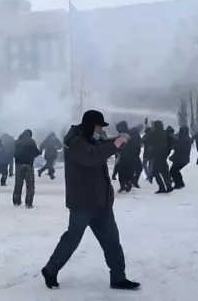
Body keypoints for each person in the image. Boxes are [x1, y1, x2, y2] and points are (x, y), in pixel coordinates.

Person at [41, 110, 140, 291]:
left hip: (101, 201)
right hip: (82, 203)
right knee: (72, 240)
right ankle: (50, 270)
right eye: (99, 126)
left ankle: (118, 277)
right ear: (90, 125)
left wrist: (119, 139)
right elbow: (91, 157)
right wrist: (115, 144)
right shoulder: (75, 142)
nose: (101, 130)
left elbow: (103, 144)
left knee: (112, 241)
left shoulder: (90, 139)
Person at [12, 129, 40, 208]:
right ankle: (28, 202)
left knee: (18, 183)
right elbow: (36, 153)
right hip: (29, 164)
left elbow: (14, 153)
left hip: (19, 164)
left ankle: (16, 200)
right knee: (30, 184)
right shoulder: (31, 142)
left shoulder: (17, 141)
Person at [147, 120, 174, 193]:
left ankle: (163, 187)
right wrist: (167, 152)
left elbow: (148, 140)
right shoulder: (166, 133)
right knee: (164, 171)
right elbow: (171, 143)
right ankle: (168, 186)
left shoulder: (154, 134)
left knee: (156, 172)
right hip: (163, 155)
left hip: (157, 155)